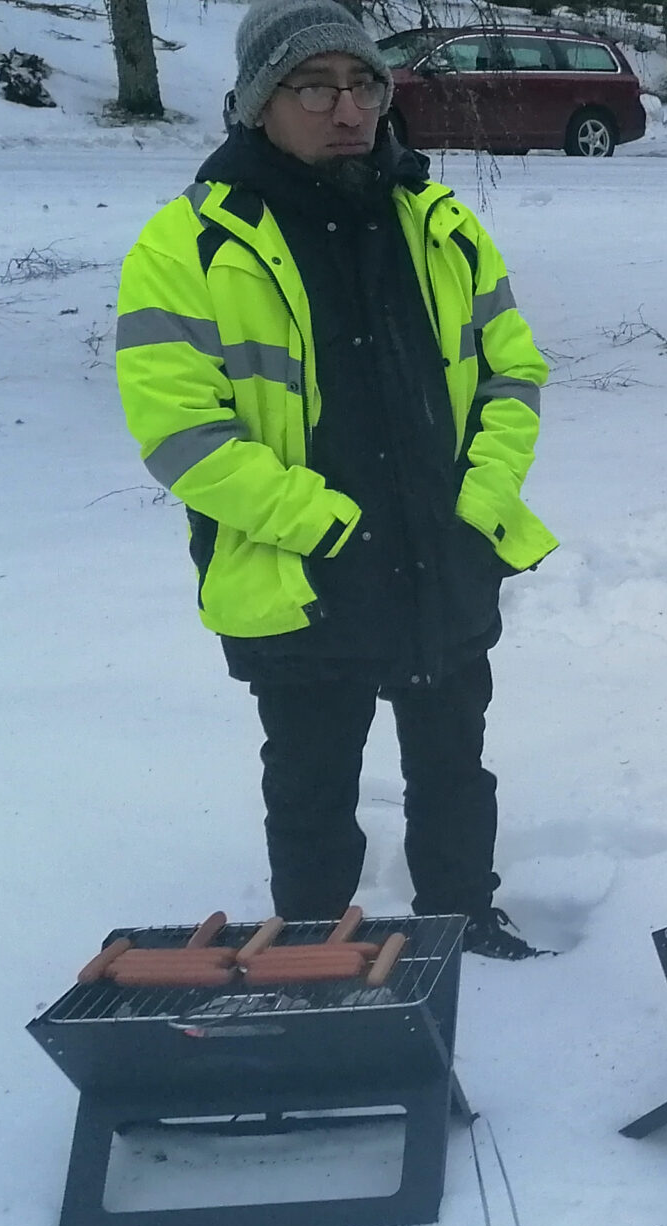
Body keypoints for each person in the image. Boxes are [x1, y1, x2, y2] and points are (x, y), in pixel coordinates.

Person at [115, 0, 557, 959]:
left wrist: (478, 504)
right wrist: (325, 524)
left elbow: (512, 371)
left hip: (442, 553)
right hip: (302, 571)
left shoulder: (438, 222)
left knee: (453, 764)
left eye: (362, 84)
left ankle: (465, 920)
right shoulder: (189, 245)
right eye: (313, 86)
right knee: (312, 783)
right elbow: (180, 433)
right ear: (257, 103)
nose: (347, 108)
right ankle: (313, 943)